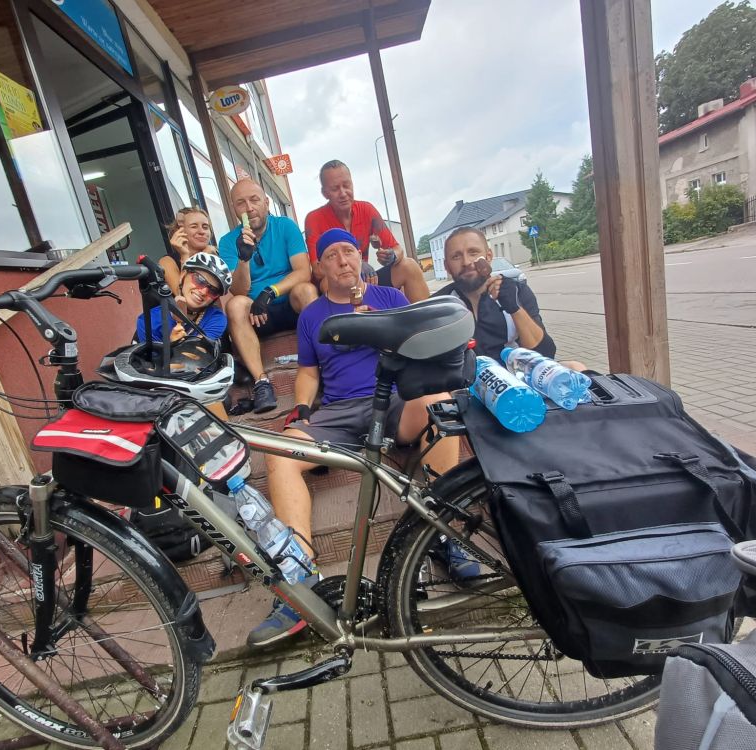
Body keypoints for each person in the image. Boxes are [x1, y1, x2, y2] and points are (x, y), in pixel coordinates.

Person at [248, 228, 469, 648]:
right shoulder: (312, 315)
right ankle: (299, 574)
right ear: (320, 268)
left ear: (360, 257)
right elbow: (308, 372)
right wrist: (302, 409)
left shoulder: (390, 297)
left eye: (348, 251)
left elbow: (423, 351)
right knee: (280, 454)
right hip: (340, 411)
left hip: (396, 400)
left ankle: (443, 532)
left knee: (440, 402)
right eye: (332, 254)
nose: (342, 260)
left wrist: (383, 330)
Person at [218, 179, 318, 413]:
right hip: (256, 316)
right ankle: (261, 382)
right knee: (235, 305)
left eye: (254, 200)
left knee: (306, 290)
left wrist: (270, 292)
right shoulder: (228, 241)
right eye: (241, 203)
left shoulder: (285, 226)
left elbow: (303, 271)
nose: (249, 208)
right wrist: (244, 259)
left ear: (266, 202)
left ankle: (323, 363)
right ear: (234, 209)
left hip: (290, 304)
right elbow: (239, 291)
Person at [304, 160, 429, 302]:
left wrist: (391, 256)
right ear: (325, 193)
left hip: (366, 280)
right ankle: (356, 316)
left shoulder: (366, 210)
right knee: (328, 283)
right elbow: (318, 270)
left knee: (409, 266)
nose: (343, 193)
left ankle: (428, 316)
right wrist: (358, 263)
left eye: (346, 185)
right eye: (335, 189)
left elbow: (398, 249)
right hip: (336, 282)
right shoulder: (314, 219)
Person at [435, 227, 556, 361]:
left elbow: (545, 354)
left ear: (488, 256)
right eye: (456, 257)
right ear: (447, 266)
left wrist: (515, 308)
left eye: (473, 253)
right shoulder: (438, 305)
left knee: (572, 365)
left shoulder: (517, 291)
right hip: (465, 373)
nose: (466, 262)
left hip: (513, 370)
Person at [135, 252, 230, 344]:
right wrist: (171, 344)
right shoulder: (149, 321)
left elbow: (199, 352)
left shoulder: (216, 318)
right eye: (200, 280)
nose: (203, 292)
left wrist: (179, 347)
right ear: (182, 276)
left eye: (213, 290)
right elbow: (151, 355)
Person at [160, 207, 217, 297]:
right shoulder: (167, 261)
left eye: (205, 227)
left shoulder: (216, 256)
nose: (201, 231)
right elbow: (184, 296)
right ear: (179, 231)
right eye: (194, 226)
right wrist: (186, 256)